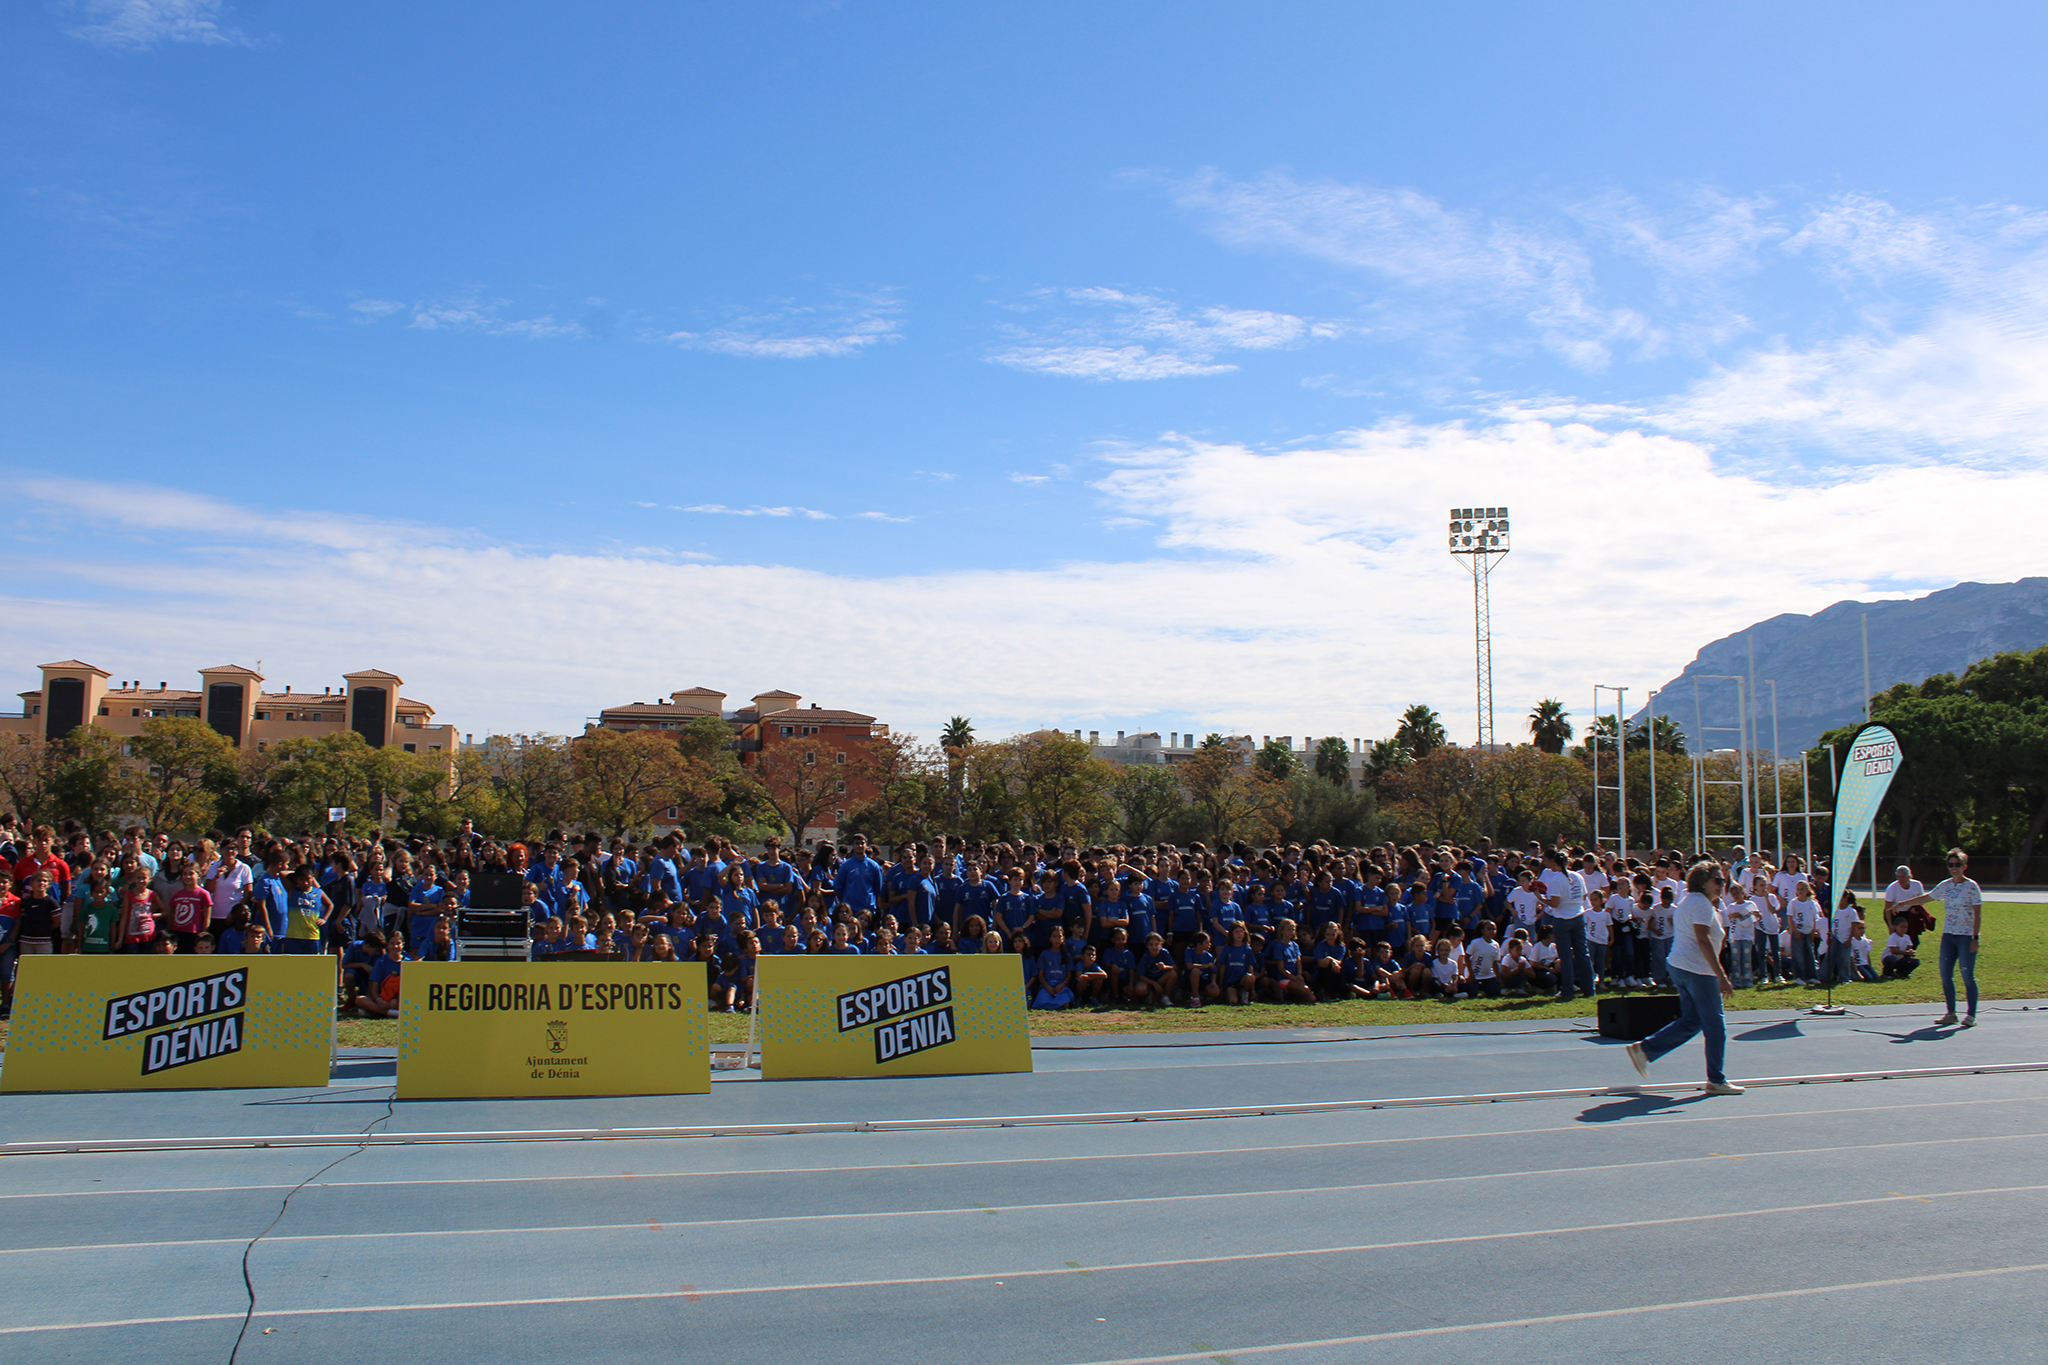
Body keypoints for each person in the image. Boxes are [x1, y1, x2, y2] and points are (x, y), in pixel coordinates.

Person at [1626, 863, 1743, 1095]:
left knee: (1692, 1021)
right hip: (1698, 970)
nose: (1722, 885)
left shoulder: (1689, 901)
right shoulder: (1700, 904)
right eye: (1717, 880)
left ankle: (1645, 1050)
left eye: (1723, 881)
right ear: (1703, 881)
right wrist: (1721, 976)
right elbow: (1702, 940)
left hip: (1681, 967)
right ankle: (1716, 1080)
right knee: (1715, 1026)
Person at [1894, 849, 1983, 1027]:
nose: (1954, 868)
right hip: (1949, 935)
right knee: (1945, 975)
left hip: (1965, 936)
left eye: (1957, 864)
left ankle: (1971, 1015)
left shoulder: (1971, 887)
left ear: (1965, 866)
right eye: (1950, 865)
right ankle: (1951, 1013)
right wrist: (1904, 903)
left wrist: (1975, 937)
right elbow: (1927, 898)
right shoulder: (1946, 885)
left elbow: (1977, 914)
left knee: (1967, 975)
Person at [1537, 850, 1593, 1001]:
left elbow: (1555, 903)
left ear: (1555, 863)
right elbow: (1583, 895)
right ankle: (1589, 989)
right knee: (1583, 953)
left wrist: (1540, 898)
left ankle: (1567, 990)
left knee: (1565, 956)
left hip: (1563, 918)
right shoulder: (1578, 876)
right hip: (1578, 916)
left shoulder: (1556, 880)